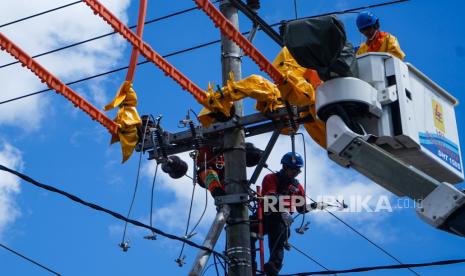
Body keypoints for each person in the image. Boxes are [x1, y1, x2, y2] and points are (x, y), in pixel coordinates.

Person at [250, 152, 308, 276]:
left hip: (280, 223)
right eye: (294, 170)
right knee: (246, 230)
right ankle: (249, 265)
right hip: (265, 216)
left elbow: (301, 208)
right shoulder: (271, 178)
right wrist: (283, 211)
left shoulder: (298, 188)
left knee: (278, 237)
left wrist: (316, 205)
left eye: (298, 170)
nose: (296, 173)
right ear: (285, 167)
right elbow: (271, 198)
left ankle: (273, 266)